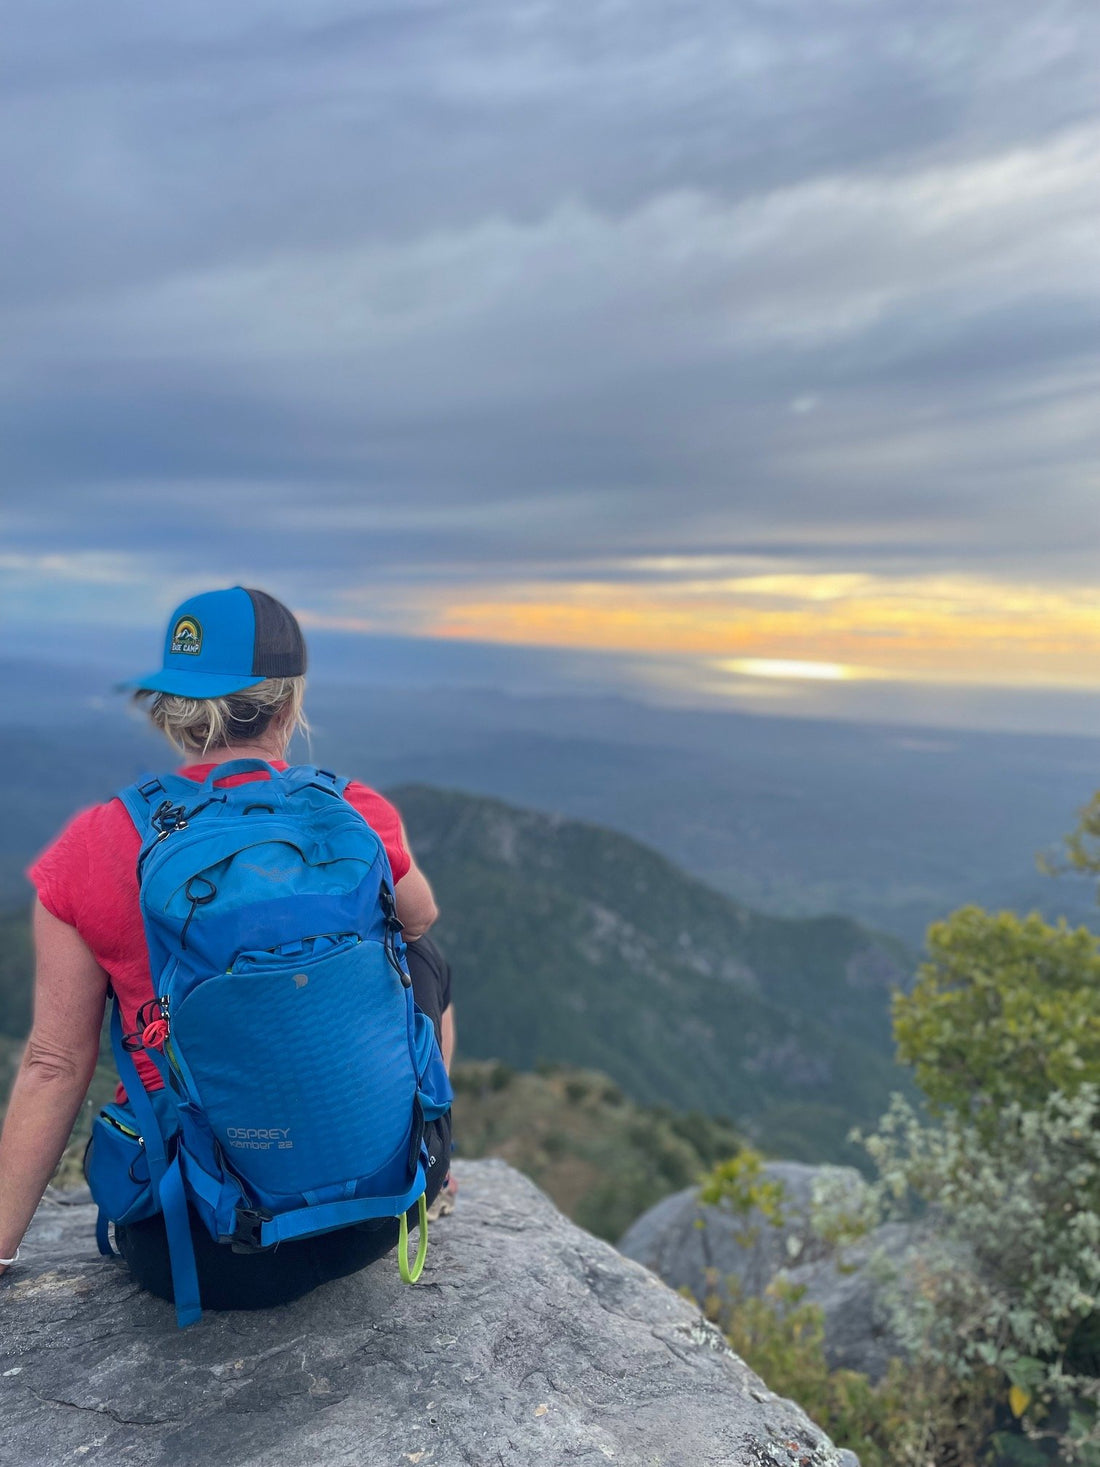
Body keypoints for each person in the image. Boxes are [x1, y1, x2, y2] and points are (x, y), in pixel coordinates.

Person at [0, 585, 456, 1306]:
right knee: (424, 959)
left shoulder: (95, 842)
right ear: (288, 703)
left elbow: (56, 1065)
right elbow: (421, 917)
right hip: (373, 1221)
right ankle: (429, 1162)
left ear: (175, 708)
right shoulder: (353, 809)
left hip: (202, 1250)